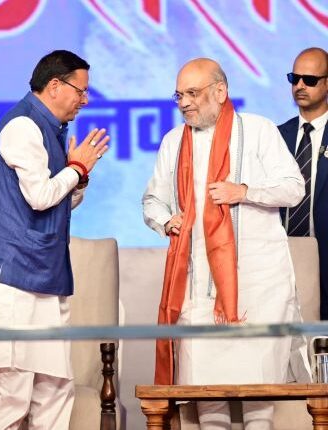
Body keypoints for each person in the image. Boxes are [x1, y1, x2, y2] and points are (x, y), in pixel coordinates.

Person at [142, 58, 310, 429]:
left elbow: (294, 188)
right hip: (198, 291)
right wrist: (166, 220)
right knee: (207, 397)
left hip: (257, 289)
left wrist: (244, 191)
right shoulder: (174, 142)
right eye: (179, 95)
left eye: (192, 93)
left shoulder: (258, 130)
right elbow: (152, 200)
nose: (185, 103)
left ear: (220, 91)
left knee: (258, 399)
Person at [0, 50, 109, 430]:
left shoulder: (51, 129)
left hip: (46, 274)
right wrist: (76, 167)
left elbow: (58, 202)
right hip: (13, 279)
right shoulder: (23, 126)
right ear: (55, 85)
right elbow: (41, 197)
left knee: (56, 388)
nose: (85, 100)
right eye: (81, 91)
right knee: (11, 396)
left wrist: (78, 176)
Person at [278, 47, 328, 319]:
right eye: (294, 78)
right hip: (281, 262)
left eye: (309, 80)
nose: (299, 86)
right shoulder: (276, 136)